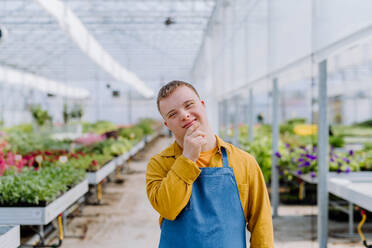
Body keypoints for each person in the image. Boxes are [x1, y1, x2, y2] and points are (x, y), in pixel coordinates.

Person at [146, 81, 274, 248]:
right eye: (172, 114)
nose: (184, 115)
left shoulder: (244, 162)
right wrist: (187, 159)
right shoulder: (159, 164)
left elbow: (261, 227)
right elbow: (168, 208)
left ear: (203, 105)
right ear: (167, 125)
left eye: (189, 105)